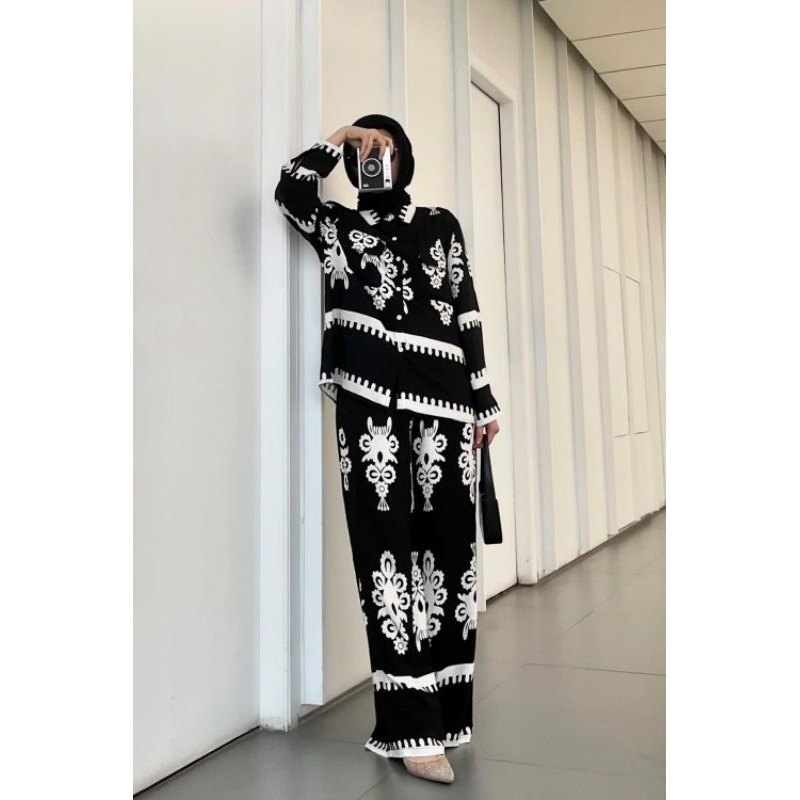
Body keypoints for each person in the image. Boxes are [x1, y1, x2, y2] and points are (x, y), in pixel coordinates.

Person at [274, 113, 502, 784]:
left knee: (450, 563)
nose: (378, 158)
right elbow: (290, 191)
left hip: (448, 408)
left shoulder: (440, 223)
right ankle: (409, 729)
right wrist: (337, 139)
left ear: (406, 158)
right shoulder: (336, 227)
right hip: (370, 409)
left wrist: (484, 399)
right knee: (386, 565)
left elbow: (465, 307)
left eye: (388, 148)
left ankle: (446, 716)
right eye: (368, 151)